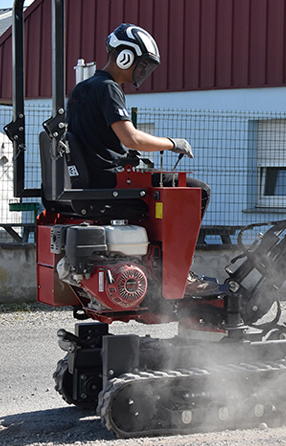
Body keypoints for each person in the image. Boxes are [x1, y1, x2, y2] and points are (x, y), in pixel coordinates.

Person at [66, 23, 215, 296]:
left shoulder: (80, 89)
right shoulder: (108, 88)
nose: (144, 70)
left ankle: (157, 269)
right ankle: (179, 275)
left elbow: (97, 139)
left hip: (91, 182)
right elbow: (131, 138)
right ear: (125, 56)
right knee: (197, 191)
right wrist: (173, 143)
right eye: (143, 63)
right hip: (110, 182)